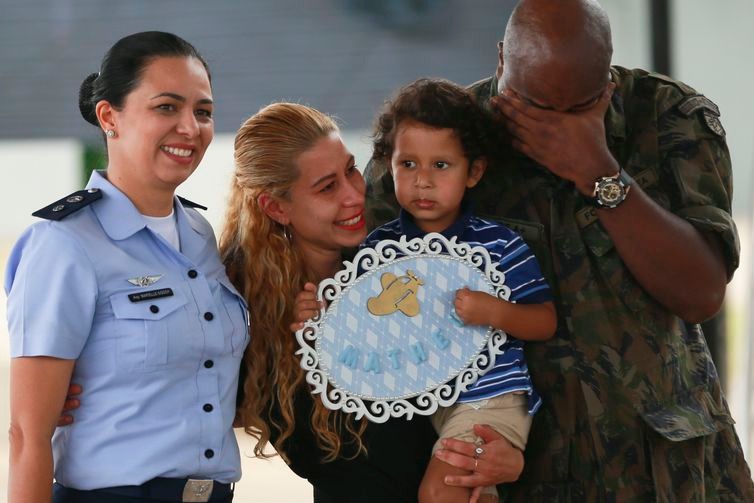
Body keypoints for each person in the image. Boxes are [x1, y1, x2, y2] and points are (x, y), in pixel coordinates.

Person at [364, 0, 754, 500]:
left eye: (575, 110)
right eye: (532, 107)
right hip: (516, 460)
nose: (551, 128)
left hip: (664, 466)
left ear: (607, 82)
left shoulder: (667, 119)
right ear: (502, 61)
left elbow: (700, 294)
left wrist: (600, 173)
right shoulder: (438, 144)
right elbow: (374, 307)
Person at [221, 102, 528, 503]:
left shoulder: (397, 265)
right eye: (327, 187)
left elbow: (492, 381)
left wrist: (507, 460)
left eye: (350, 169)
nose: (354, 195)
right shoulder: (234, 304)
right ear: (276, 207)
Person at [6, 31, 248, 503]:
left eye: (203, 111)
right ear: (109, 116)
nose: (190, 127)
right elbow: (26, 436)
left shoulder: (200, 234)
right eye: (166, 107)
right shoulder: (64, 243)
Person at [363, 78, 557, 503]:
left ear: (474, 172)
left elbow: (545, 320)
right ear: (387, 164)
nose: (423, 181)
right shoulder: (379, 248)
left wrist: (496, 311)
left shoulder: (499, 244)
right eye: (408, 165)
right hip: (420, 402)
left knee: (441, 493)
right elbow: (362, 318)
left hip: (490, 398)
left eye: (441, 165)